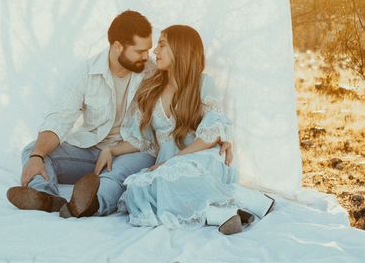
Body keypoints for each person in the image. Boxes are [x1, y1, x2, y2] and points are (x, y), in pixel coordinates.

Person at [95, 25, 274, 234]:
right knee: (137, 190)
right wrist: (111, 150)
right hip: (168, 162)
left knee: (177, 177)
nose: (155, 52)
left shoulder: (203, 83)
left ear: (180, 49)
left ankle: (236, 201)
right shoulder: (151, 89)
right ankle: (225, 211)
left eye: (162, 45)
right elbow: (141, 139)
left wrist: (172, 161)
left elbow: (212, 132)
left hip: (201, 156)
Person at [7, 10, 156, 217]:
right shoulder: (86, 73)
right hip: (92, 151)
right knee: (33, 150)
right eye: (140, 51)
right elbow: (59, 117)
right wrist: (37, 155)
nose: (146, 56)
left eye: (148, 50)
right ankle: (44, 196)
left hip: (131, 151)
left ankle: (91, 203)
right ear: (117, 46)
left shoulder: (152, 73)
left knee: (116, 176)